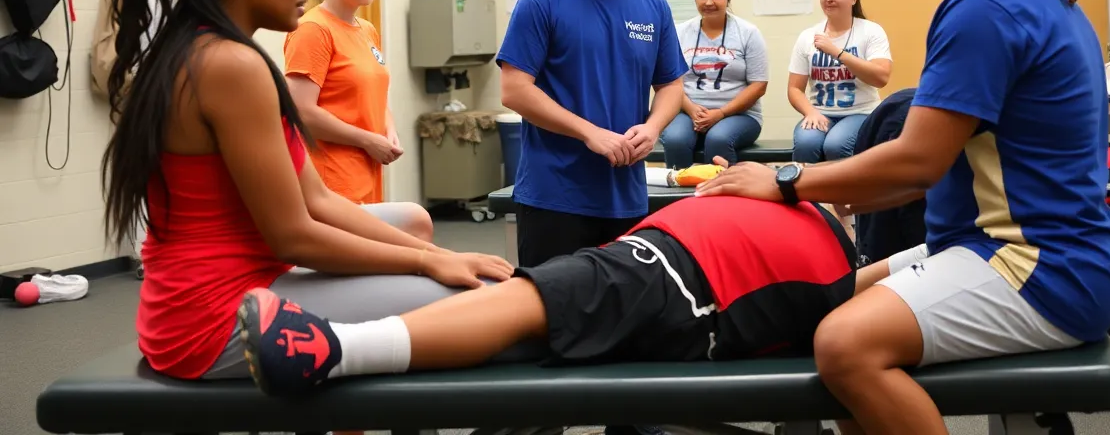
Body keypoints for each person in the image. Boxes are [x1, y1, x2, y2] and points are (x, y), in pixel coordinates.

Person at [696, 0, 1110, 435]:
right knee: (834, 297)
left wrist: (787, 181)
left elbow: (914, 165)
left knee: (843, 343)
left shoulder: (983, 7)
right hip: (1007, 246)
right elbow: (919, 169)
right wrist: (827, 190)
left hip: (1038, 265)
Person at [99, 0, 513, 385]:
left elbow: (317, 200)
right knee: (483, 304)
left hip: (235, 286)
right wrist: (428, 267)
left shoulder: (206, 49)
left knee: (420, 231)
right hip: (219, 317)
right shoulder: (228, 64)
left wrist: (435, 255)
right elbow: (294, 235)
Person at [235, 190, 857, 397]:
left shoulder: (844, 266)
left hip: (685, 285)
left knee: (539, 297)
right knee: (521, 289)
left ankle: (333, 350)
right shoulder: (804, 206)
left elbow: (868, 290)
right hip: (661, 260)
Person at [496, 0, 687, 267]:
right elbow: (514, 90)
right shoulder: (542, 0)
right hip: (555, 197)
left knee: (625, 317)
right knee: (557, 319)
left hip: (626, 199)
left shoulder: (653, 5)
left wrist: (652, 129)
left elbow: (670, 83)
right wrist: (590, 134)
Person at [284, 0, 417, 225]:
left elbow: (376, 94)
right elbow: (302, 112)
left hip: (368, 172)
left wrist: (388, 129)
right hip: (331, 177)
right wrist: (368, 140)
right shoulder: (313, 30)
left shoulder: (366, 30)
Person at [661, 0, 768, 168]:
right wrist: (691, 109)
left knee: (718, 139)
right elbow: (669, 80)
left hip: (739, 116)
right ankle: (680, 198)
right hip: (687, 112)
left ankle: (719, 197)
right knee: (676, 140)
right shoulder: (680, 32)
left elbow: (759, 85)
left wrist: (720, 113)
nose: (709, 2)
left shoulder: (748, 33)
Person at [787, 0, 891, 164]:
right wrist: (810, 112)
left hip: (860, 112)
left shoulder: (871, 31)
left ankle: (841, 194)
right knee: (806, 144)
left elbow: (881, 77)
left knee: (836, 145)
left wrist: (837, 52)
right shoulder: (807, 36)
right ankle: (806, 194)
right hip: (820, 112)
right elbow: (794, 88)